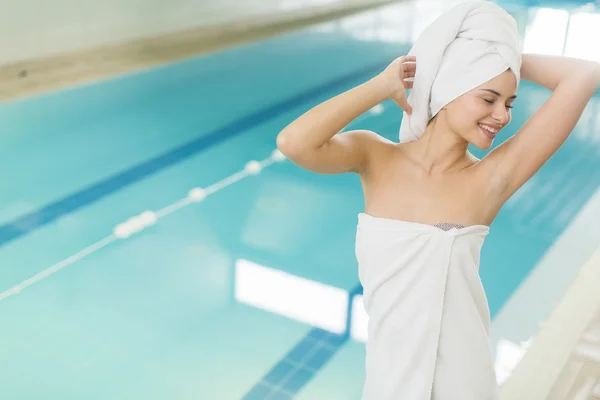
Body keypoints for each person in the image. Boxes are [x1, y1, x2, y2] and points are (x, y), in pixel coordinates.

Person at [276, 1, 600, 399]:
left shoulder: (489, 179)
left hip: (461, 384)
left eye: (509, 103)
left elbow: (585, 74)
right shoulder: (374, 157)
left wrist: (501, 57)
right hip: (389, 383)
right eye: (489, 98)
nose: (502, 115)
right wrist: (381, 85)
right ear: (449, 86)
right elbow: (293, 143)